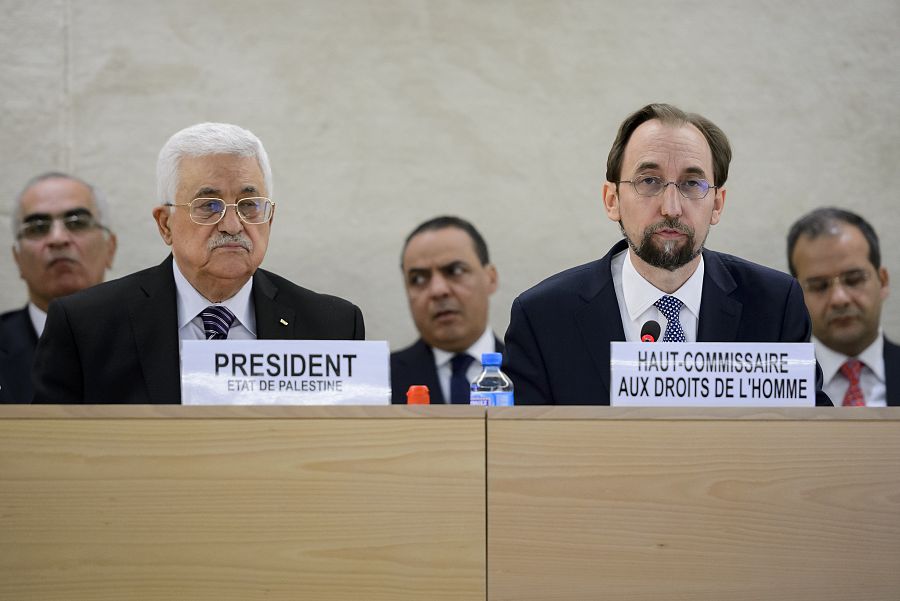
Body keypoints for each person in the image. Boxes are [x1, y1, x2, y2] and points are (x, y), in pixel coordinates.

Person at [504, 103, 830, 406]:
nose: (671, 208)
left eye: (691, 184)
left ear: (717, 204)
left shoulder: (774, 306)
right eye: (649, 181)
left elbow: (811, 436)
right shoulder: (544, 317)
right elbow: (522, 452)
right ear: (612, 200)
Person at [32, 122, 364, 403]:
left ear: (270, 219)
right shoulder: (86, 326)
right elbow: (51, 455)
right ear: (165, 224)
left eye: (249, 205)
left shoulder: (332, 326)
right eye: (209, 206)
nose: (233, 226)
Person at [1, 172, 117, 403]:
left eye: (77, 223)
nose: (57, 238)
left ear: (110, 249)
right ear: (17, 258)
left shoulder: (157, 341)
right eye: (37, 228)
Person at [787, 208, 898, 406]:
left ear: (882, 281)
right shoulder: (776, 387)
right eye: (819, 286)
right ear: (795, 296)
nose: (839, 299)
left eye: (854, 280)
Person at [391, 216, 501, 404]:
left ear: (490, 278)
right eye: (418, 279)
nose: (438, 290)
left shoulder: (531, 373)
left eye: (455, 271)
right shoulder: (382, 384)